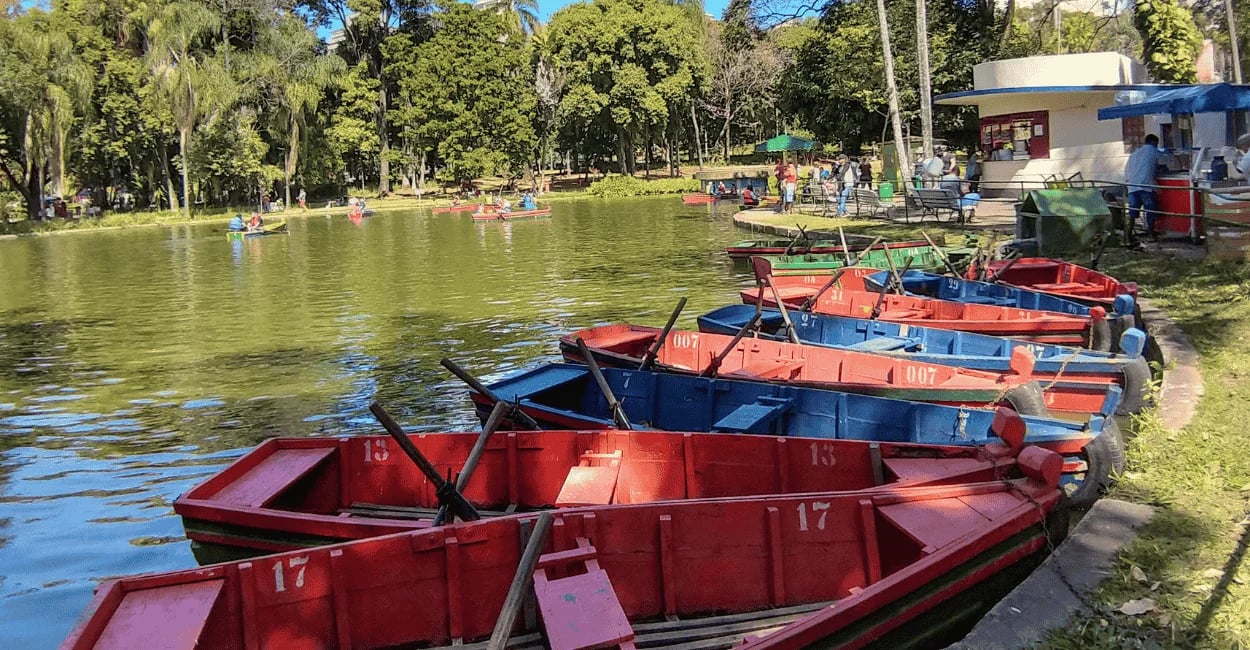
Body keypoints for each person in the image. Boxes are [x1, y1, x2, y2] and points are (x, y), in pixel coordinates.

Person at [1124, 133, 1167, 241]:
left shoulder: (1134, 154)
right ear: (1154, 142)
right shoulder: (1154, 151)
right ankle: (1150, 234)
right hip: (1145, 186)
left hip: (1132, 186)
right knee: (1150, 209)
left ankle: (1128, 235)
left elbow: (1127, 171)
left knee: (1133, 212)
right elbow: (1167, 162)